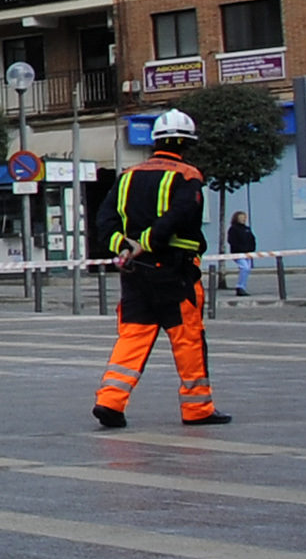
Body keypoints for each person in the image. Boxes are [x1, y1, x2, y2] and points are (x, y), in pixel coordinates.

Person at [96, 109, 229, 428]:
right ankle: (197, 408)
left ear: (155, 142)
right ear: (186, 143)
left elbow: (105, 220)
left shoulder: (127, 176)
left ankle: (110, 401)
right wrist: (148, 240)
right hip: (175, 271)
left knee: (133, 336)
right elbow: (181, 214)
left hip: (135, 271)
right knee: (187, 339)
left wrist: (124, 246)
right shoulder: (188, 175)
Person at [226, 211, 257, 297]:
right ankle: (240, 287)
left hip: (248, 253)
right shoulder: (233, 229)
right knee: (244, 267)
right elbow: (232, 241)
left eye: (244, 217)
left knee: (247, 269)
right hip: (238, 253)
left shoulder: (247, 229)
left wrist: (251, 249)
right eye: (241, 217)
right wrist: (240, 249)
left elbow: (252, 239)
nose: (243, 219)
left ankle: (242, 286)